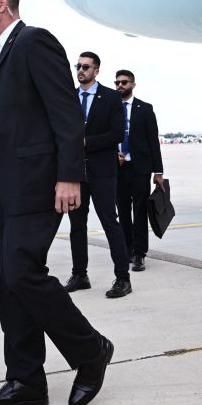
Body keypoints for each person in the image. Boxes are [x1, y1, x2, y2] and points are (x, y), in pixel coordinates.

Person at [0, 0, 112, 405]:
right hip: (9, 188)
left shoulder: (33, 41)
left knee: (23, 271)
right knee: (9, 282)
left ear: (1, 3)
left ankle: (91, 350)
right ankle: (26, 380)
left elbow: (65, 110)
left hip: (39, 181)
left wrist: (70, 175)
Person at [65, 51, 132, 298]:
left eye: (85, 66)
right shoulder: (69, 96)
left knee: (109, 223)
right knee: (76, 225)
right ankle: (80, 274)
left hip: (103, 171)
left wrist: (85, 142)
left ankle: (123, 278)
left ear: (96, 70)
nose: (80, 70)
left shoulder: (112, 97)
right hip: (75, 172)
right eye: (78, 66)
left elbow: (117, 134)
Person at [114, 70, 165, 271]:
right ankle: (126, 249)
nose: (120, 85)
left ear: (133, 84)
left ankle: (139, 253)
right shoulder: (111, 107)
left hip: (140, 168)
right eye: (117, 82)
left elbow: (153, 141)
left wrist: (158, 171)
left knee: (140, 210)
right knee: (123, 210)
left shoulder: (144, 108)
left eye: (124, 82)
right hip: (118, 168)